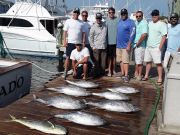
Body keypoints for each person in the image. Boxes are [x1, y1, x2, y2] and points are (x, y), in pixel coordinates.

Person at [143, 9, 167, 85]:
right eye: (153, 15)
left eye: (155, 15)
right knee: (148, 62)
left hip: (156, 48)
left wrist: (160, 47)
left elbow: (164, 36)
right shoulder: (149, 23)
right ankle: (146, 75)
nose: (154, 16)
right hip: (148, 47)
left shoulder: (162, 24)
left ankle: (160, 78)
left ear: (158, 16)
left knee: (158, 63)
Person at [63, 8, 86, 79]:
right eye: (75, 12)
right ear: (73, 13)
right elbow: (65, 32)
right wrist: (64, 41)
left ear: (79, 14)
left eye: (77, 13)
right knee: (68, 58)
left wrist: (83, 42)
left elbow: (83, 33)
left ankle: (74, 71)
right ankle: (65, 72)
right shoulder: (68, 21)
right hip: (70, 42)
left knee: (76, 58)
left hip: (78, 43)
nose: (76, 14)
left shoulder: (81, 22)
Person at [116, 9, 136, 83]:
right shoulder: (120, 21)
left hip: (125, 46)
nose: (123, 15)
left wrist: (129, 44)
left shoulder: (131, 22)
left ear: (127, 14)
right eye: (122, 14)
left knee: (126, 61)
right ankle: (123, 73)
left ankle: (126, 75)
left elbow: (133, 33)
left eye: (124, 14)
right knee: (120, 60)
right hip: (119, 45)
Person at [90, 13, 107, 77]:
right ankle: (96, 74)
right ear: (96, 18)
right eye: (97, 18)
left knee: (103, 62)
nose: (98, 19)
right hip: (96, 47)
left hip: (104, 46)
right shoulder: (93, 27)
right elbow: (90, 37)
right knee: (96, 62)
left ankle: (102, 73)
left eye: (99, 18)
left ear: (101, 18)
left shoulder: (105, 25)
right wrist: (93, 46)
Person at [133, 11, 148, 81]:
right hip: (135, 45)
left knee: (140, 62)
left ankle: (139, 75)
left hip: (140, 45)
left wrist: (138, 43)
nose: (138, 17)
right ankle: (136, 73)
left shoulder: (144, 23)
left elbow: (144, 35)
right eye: (137, 16)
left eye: (140, 16)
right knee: (137, 61)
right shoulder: (136, 22)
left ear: (142, 16)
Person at [106, 7, 119, 77]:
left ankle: (113, 69)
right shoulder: (106, 20)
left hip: (116, 42)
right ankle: (109, 70)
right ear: (108, 13)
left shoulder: (118, 20)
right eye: (110, 12)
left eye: (112, 12)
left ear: (114, 13)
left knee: (114, 57)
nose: (111, 14)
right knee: (109, 57)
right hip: (108, 42)